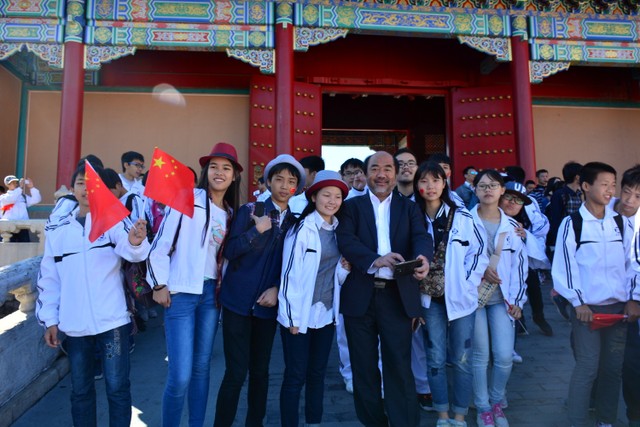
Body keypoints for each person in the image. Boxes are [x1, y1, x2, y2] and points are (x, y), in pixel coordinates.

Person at [35, 164, 150, 427]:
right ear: (72, 189)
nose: (87, 189)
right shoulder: (59, 229)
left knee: (118, 389)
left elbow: (133, 252)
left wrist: (135, 240)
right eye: (80, 184)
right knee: (81, 391)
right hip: (75, 326)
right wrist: (50, 319)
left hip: (113, 322)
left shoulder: (113, 222)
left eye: (92, 184)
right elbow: (49, 278)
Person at [146, 143, 241, 427]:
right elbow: (161, 243)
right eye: (214, 167)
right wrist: (159, 284)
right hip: (181, 294)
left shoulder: (231, 213)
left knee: (201, 368)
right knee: (180, 375)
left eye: (226, 168)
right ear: (205, 171)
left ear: (234, 175)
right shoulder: (187, 198)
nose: (219, 172)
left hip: (211, 296)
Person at [336, 150, 431, 427]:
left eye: (388, 168)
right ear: (365, 174)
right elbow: (346, 240)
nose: (381, 174)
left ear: (395, 173)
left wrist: (423, 257)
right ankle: (373, 422)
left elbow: (421, 236)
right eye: (375, 168)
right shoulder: (351, 207)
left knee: (399, 365)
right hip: (360, 296)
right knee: (363, 367)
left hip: (396, 296)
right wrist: (375, 260)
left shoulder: (409, 208)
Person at [214, 154, 305, 427]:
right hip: (237, 303)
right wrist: (256, 232)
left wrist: (277, 288)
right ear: (268, 181)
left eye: (291, 181)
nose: (284, 185)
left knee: (260, 372)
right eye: (279, 179)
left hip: (267, 307)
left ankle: (255, 423)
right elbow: (230, 250)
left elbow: (292, 265)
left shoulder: (295, 223)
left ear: (297, 188)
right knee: (235, 373)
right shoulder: (251, 211)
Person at [553, 162, 640, 427]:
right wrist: (578, 302)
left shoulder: (620, 223)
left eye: (613, 185)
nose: (611, 190)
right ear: (586, 186)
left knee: (612, 369)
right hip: (587, 310)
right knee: (587, 367)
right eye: (604, 184)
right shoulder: (573, 224)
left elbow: (632, 263)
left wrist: (633, 298)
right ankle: (577, 421)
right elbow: (565, 266)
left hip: (618, 309)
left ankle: (606, 421)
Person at [415, 162, 487, 427]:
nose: (430, 186)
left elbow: (478, 252)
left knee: (462, 358)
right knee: (435, 357)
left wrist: (467, 283)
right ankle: (442, 414)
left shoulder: (462, 216)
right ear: (417, 185)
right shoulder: (412, 216)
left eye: (436, 180)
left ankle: (459, 414)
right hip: (429, 298)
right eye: (424, 181)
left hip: (460, 298)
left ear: (444, 183)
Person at [277, 170, 349, 427]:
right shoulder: (301, 229)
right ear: (314, 197)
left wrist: (344, 269)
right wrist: (292, 319)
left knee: (317, 374)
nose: (332, 201)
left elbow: (333, 274)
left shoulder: (340, 230)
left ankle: (313, 422)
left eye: (337, 196)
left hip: (325, 314)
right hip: (299, 315)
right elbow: (288, 275)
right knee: (295, 376)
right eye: (326, 195)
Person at [471, 169, 528, 427]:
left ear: (502, 190)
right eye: (482, 185)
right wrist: (481, 269)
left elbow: (520, 265)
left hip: (504, 300)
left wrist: (518, 301)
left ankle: (496, 400)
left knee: (504, 355)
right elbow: (456, 260)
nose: (488, 190)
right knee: (480, 355)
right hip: (473, 299)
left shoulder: (513, 227)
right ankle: (483, 406)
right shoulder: (464, 222)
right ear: (475, 190)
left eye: (493, 185)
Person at [394, 147, 434, 411]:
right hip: (393, 274)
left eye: (411, 162)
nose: (406, 167)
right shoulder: (385, 198)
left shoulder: (429, 200)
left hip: (425, 275)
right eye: (400, 163)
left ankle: (423, 386)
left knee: (421, 334)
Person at [336, 157, 367, 393]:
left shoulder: (375, 199)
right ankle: (348, 372)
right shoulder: (339, 201)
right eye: (349, 173)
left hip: (369, 270)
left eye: (359, 172)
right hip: (344, 271)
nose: (355, 176)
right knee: (344, 328)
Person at [615, 165, 640, 427]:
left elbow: (636, 264)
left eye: (638, 196)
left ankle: (634, 413)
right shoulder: (604, 213)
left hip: (633, 300)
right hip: (609, 298)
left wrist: (634, 298)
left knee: (631, 359)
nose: (630, 200)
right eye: (627, 191)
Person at [0, 175, 42, 241]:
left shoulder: (23, 197)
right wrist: (20, 188)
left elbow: (36, 199)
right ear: (7, 185)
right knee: (9, 246)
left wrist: (32, 187)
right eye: (12, 183)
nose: (14, 184)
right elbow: (12, 199)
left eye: (15, 182)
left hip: (23, 226)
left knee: (25, 246)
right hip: (8, 227)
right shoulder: (3, 197)